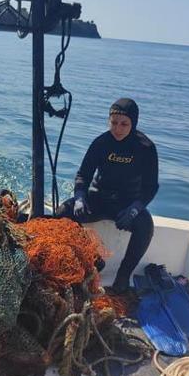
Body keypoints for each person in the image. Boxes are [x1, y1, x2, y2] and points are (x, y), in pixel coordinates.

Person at [56, 98, 158, 293]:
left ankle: (122, 277)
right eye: (113, 123)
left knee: (146, 225)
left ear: (133, 123)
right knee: (62, 213)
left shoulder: (145, 147)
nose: (117, 129)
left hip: (126, 205)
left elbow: (150, 187)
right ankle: (94, 259)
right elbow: (83, 175)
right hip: (99, 199)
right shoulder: (101, 143)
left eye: (124, 124)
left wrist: (135, 209)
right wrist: (79, 197)